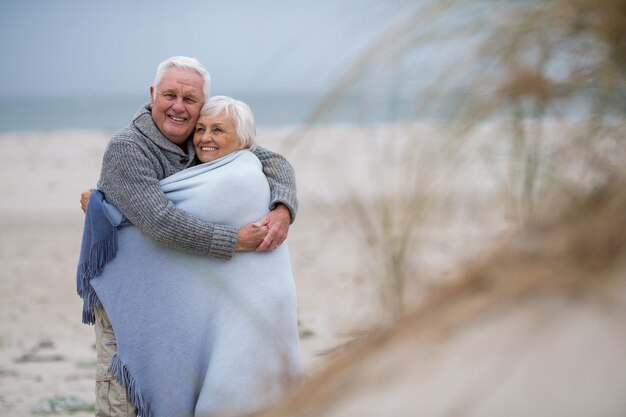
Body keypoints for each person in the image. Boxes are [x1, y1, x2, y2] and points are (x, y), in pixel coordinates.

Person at [78, 56, 298, 417]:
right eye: (170, 95)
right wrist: (234, 241)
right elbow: (160, 222)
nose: (179, 107)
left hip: (178, 305)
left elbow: (274, 163)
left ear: (201, 105)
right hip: (130, 300)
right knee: (129, 402)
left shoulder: (200, 138)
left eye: (190, 99)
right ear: (152, 95)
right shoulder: (127, 148)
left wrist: (282, 210)